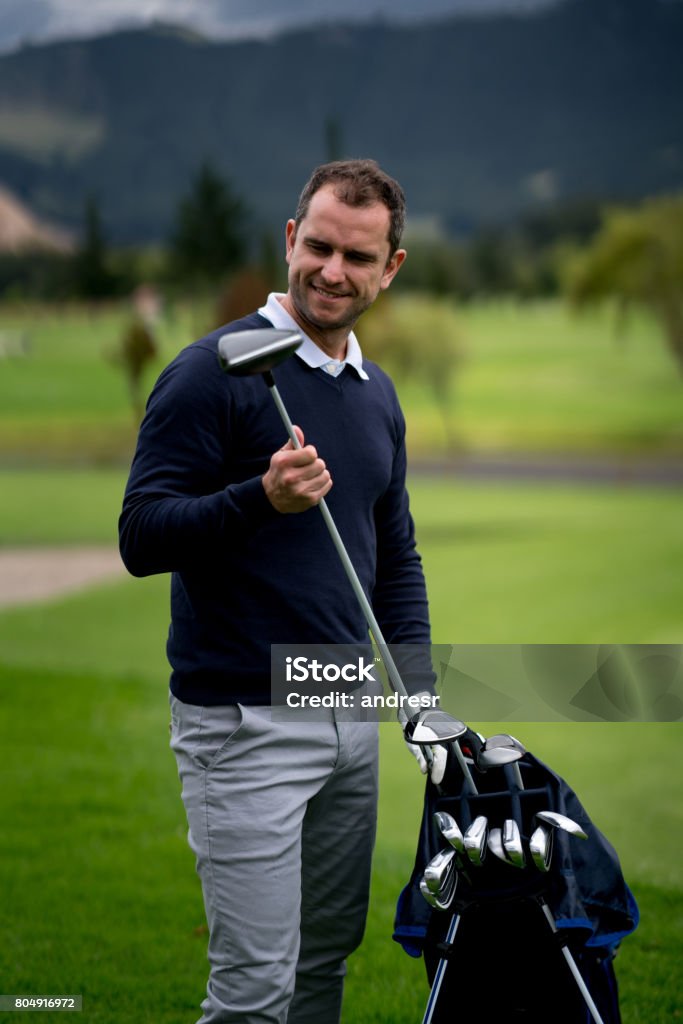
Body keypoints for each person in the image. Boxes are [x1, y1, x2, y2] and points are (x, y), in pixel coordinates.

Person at [119, 159, 458, 1024]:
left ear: (392, 268)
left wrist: (416, 696)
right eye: (317, 247)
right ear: (288, 240)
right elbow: (141, 535)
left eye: (356, 256)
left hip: (346, 709)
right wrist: (257, 498)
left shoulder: (376, 394)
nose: (331, 272)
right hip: (243, 723)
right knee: (253, 993)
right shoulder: (213, 372)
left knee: (321, 967)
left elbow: (398, 559)